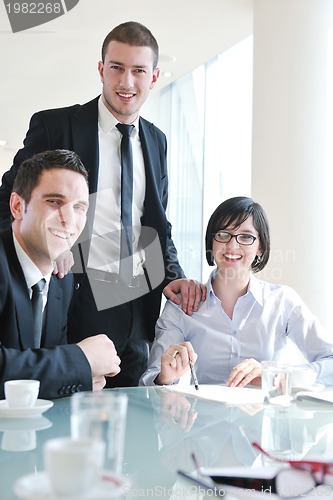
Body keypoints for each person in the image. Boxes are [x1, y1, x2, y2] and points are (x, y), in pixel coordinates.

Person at [0, 21, 205, 387]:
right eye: (117, 68)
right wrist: (47, 250)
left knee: (131, 421)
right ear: (101, 69)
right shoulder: (56, 125)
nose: (127, 82)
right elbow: (8, 200)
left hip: (138, 304)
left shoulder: (157, 141)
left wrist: (174, 276)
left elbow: (157, 226)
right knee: (71, 418)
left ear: (154, 76)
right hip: (74, 299)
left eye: (138, 71)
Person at [140, 196, 333, 387]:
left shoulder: (282, 301)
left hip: (267, 415)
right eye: (223, 235)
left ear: (261, 247)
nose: (232, 246)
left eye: (246, 237)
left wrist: (274, 375)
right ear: (211, 242)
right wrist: (164, 378)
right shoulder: (182, 305)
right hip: (203, 416)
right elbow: (149, 381)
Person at [0, 149, 121, 400]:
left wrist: (82, 375)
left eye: (79, 207)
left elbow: (44, 372)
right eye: (54, 202)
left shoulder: (61, 281)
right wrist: (81, 361)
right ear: (17, 206)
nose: (69, 219)